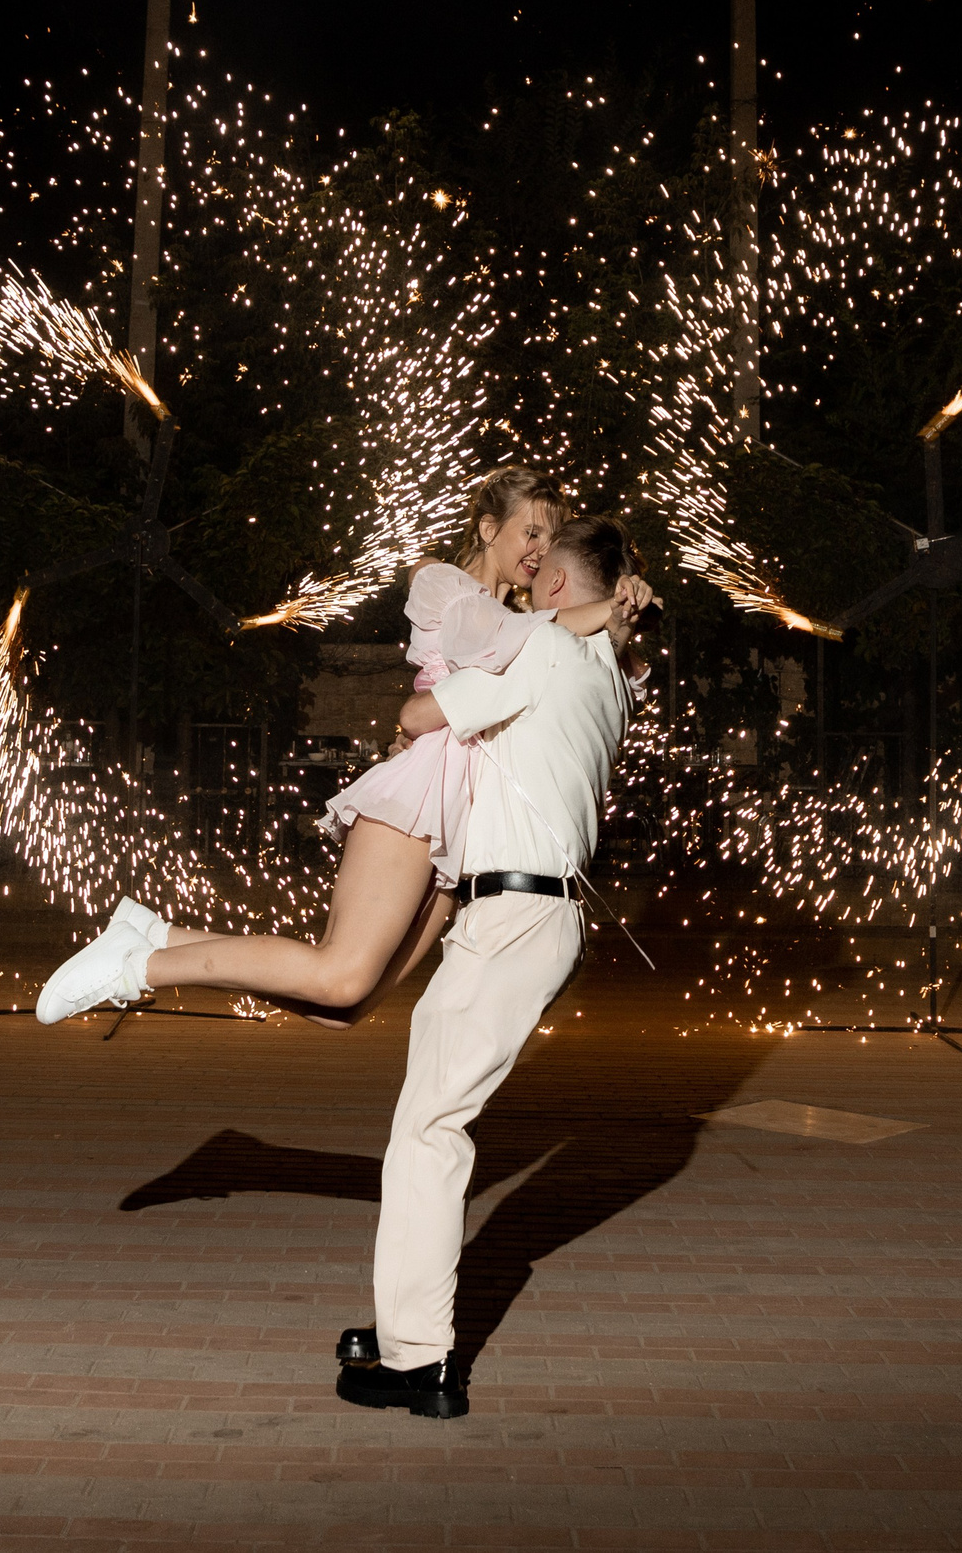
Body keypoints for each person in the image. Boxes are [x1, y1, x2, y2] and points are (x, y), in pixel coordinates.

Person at [35, 468, 649, 1027]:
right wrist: (604, 606)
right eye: (530, 532)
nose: (542, 551)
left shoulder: (528, 619)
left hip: (464, 822)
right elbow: (496, 642)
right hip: (424, 791)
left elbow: (594, 674)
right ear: (490, 529)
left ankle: (151, 934)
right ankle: (136, 968)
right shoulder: (448, 585)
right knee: (343, 974)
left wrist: (620, 619)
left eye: (552, 537)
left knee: (345, 1007)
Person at [329, 515, 644, 1418]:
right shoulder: (612, 681)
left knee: (429, 1134)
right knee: (432, 1124)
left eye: (542, 566)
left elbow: (417, 714)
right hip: (539, 917)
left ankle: (420, 1364)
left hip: (510, 916)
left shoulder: (539, 655)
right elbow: (615, 656)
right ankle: (401, 1330)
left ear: (552, 593)